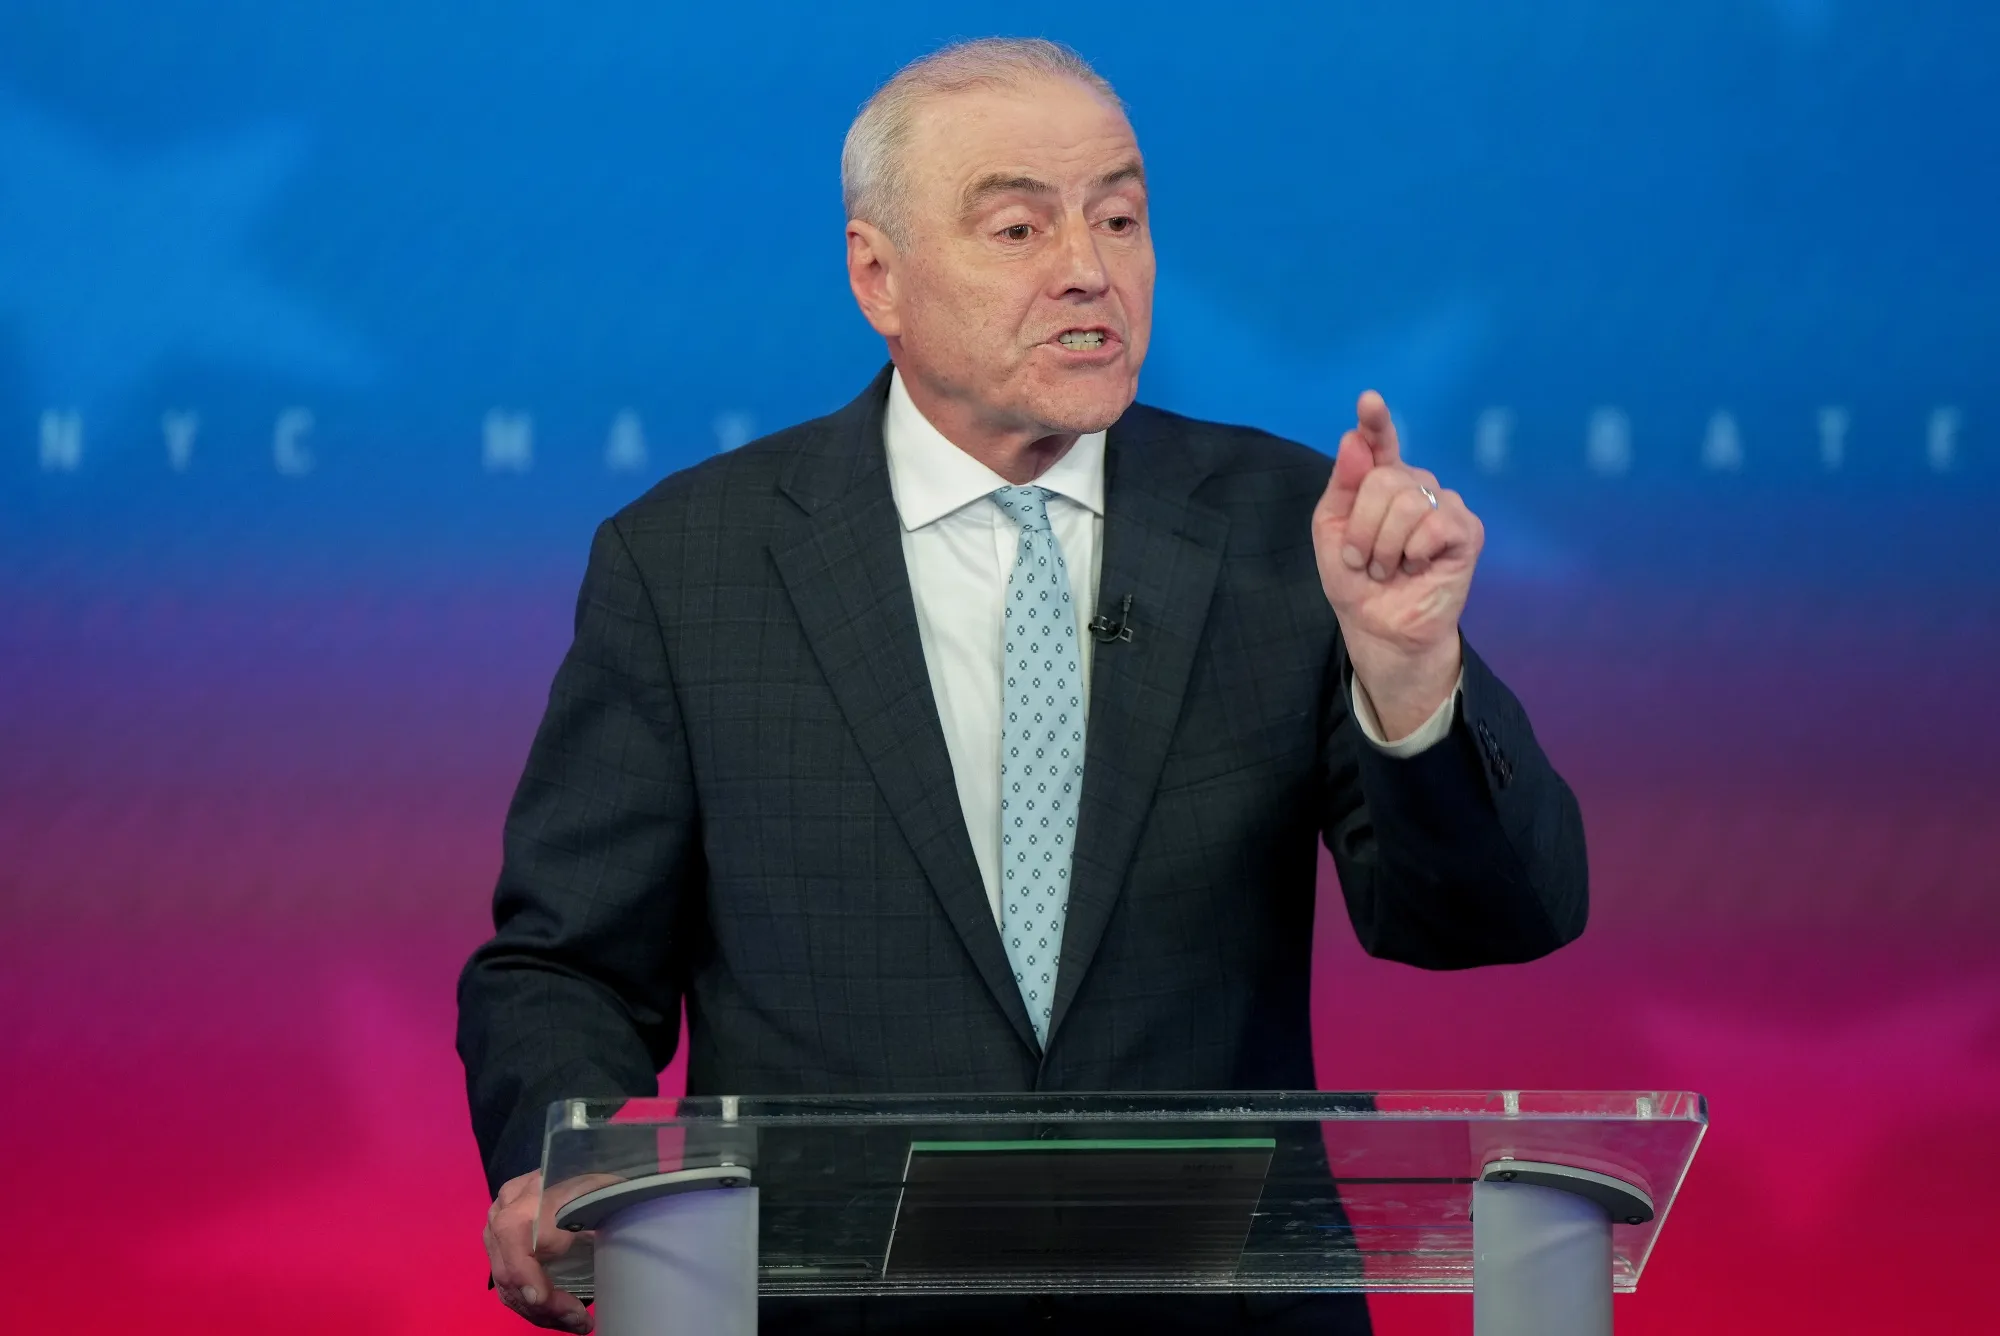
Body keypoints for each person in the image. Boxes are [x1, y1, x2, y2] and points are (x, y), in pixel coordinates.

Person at [457, 37, 1586, 1335]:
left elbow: (1492, 919)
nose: (1089, 269)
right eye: (1018, 226)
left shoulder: (1290, 530)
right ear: (878, 276)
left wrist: (1409, 672)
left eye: (1120, 216)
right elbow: (563, 966)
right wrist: (567, 1166)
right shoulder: (690, 563)